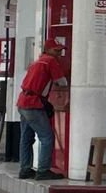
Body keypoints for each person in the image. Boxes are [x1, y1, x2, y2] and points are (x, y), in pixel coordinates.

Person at [16, 40, 68, 181]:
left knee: (26, 138)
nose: (59, 53)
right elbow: (62, 82)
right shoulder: (50, 61)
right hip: (34, 104)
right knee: (47, 138)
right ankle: (43, 171)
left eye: (61, 50)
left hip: (22, 102)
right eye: (57, 50)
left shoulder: (37, 62)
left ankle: (25, 169)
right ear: (48, 50)